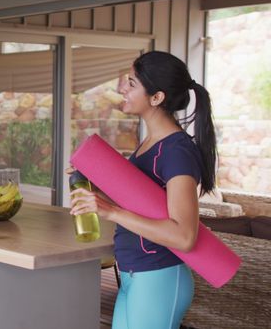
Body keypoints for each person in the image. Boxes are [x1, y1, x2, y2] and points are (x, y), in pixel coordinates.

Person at [70, 51, 217, 329]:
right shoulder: (149, 144)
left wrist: (110, 211)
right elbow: (143, 205)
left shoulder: (177, 151)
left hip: (158, 276)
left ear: (157, 97)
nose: (121, 88)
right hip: (132, 274)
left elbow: (184, 235)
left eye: (131, 83)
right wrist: (97, 189)